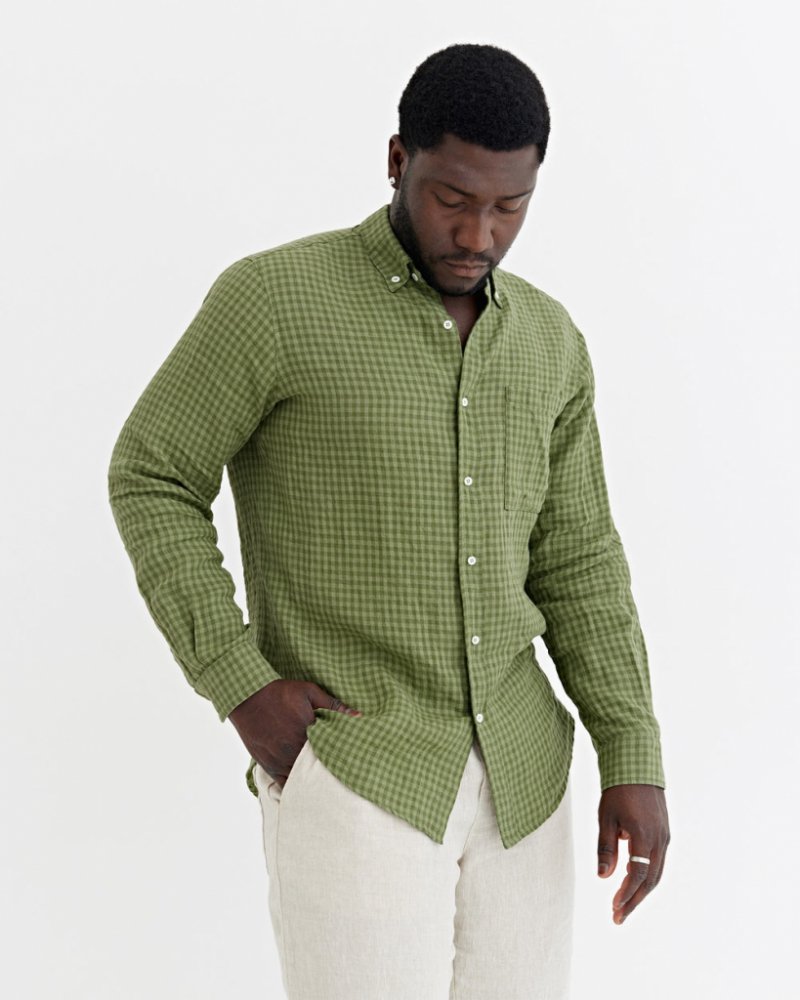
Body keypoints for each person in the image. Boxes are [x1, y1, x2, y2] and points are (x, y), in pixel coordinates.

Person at [108, 42, 669, 1000]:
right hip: (355, 765)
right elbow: (152, 474)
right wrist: (241, 685)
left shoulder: (549, 340)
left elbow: (578, 559)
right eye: (453, 198)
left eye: (510, 207)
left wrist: (632, 751)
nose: (479, 234)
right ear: (398, 160)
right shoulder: (274, 301)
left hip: (525, 781)